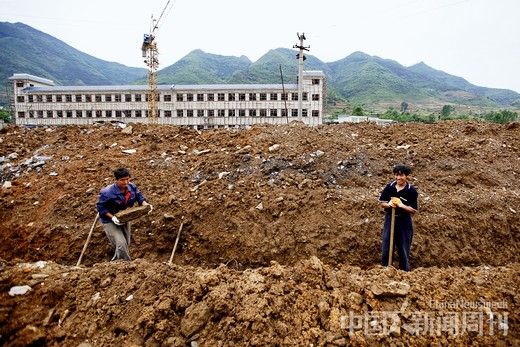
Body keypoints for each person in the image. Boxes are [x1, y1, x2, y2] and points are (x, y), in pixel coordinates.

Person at [96, 168, 152, 261]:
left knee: (126, 242)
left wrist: (145, 205)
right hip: (109, 220)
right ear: (116, 180)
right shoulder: (107, 193)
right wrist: (113, 217)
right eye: (122, 180)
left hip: (124, 218)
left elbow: (140, 197)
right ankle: (125, 265)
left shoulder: (132, 187)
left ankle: (116, 261)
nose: (126, 182)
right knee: (121, 243)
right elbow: (100, 208)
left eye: (127, 179)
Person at [379, 164, 418, 271]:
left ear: (406, 176)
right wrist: (389, 204)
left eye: (401, 176)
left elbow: (413, 210)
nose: (398, 178)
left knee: (403, 248)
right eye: (396, 175)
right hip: (390, 218)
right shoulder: (389, 187)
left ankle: (404, 272)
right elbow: (382, 203)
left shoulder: (411, 191)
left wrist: (401, 205)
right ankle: (385, 271)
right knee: (386, 246)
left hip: (404, 221)